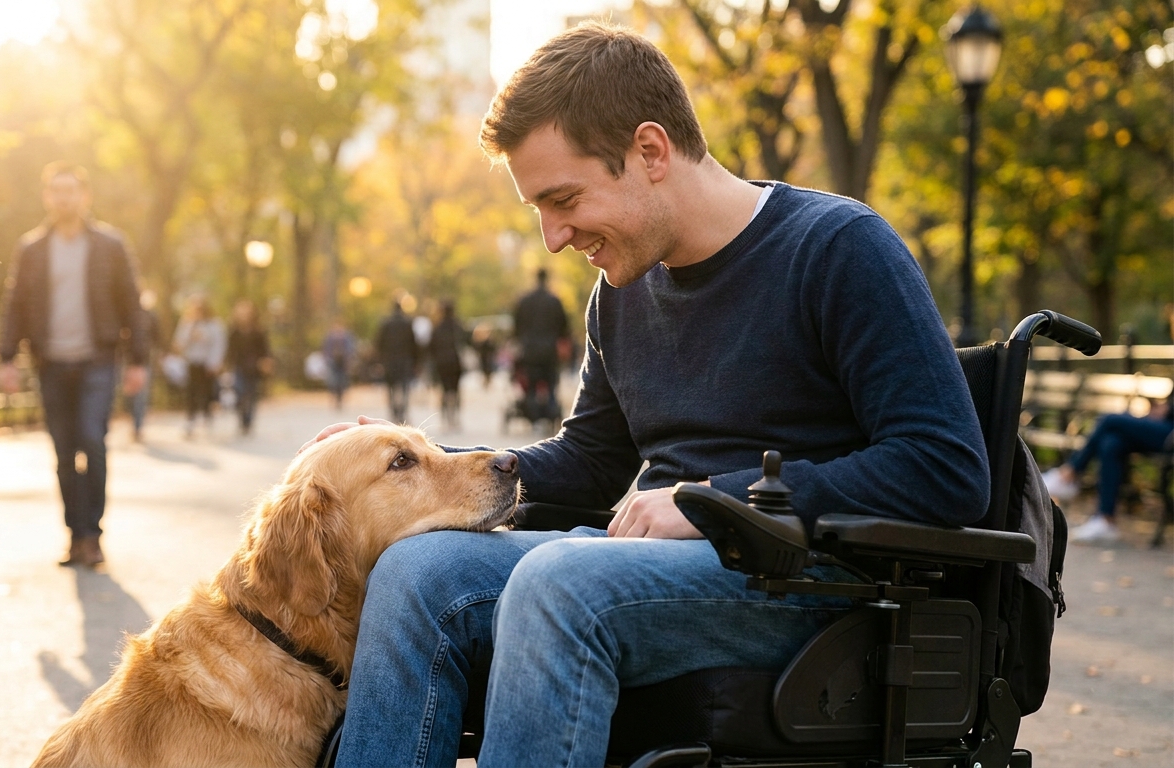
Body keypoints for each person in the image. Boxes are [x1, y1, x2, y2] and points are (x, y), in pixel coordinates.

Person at [308, 23, 989, 767]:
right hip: (642, 568)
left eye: (563, 199)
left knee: (555, 582)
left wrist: (708, 501)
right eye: (538, 209)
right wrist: (429, 466)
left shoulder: (839, 249)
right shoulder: (622, 294)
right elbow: (593, 462)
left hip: (804, 582)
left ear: (651, 152)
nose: (553, 239)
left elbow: (946, 467)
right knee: (417, 571)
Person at [0, 162, 147, 568]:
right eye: (56, 191)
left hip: (97, 359)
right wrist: (7, 357)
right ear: (47, 197)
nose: (64, 199)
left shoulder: (109, 245)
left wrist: (138, 361)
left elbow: (131, 302)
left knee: (92, 442)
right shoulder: (32, 249)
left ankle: (93, 535)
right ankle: (74, 535)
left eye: (71, 191)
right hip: (51, 361)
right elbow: (16, 304)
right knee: (64, 453)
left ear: (85, 197)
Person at [1043, 403, 1173, 544]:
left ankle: (1068, 474)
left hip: (1170, 434)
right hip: (1164, 426)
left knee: (1110, 419)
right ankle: (1106, 520)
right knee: (1111, 444)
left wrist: (1168, 410)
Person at [512, 267, 570, 428]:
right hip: (549, 350)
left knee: (531, 386)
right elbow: (564, 328)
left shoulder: (524, 301)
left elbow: (516, 327)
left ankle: (534, 419)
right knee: (551, 386)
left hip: (529, 350)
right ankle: (551, 418)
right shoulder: (554, 301)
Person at [172, 294, 226, 438]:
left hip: (207, 363)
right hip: (192, 362)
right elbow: (178, 343)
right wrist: (190, 336)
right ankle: (190, 420)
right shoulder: (187, 324)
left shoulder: (214, 324)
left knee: (207, 392)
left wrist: (215, 363)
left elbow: (218, 345)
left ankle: (207, 418)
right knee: (191, 392)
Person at [227, 299, 272, 435]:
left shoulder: (259, 331)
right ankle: (242, 419)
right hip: (239, 366)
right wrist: (226, 365)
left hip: (254, 367)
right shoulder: (233, 331)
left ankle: (249, 422)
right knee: (239, 392)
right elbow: (229, 350)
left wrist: (266, 361)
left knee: (251, 395)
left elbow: (265, 349)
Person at [375, 297, 417, 424]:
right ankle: (403, 410)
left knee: (391, 388)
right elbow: (413, 344)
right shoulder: (407, 323)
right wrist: (416, 361)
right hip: (405, 360)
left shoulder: (386, 323)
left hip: (389, 360)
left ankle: (393, 411)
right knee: (404, 387)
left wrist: (380, 360)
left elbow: (379, 343)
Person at [127, 289, 161, 442]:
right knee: (128, 394)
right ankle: (133, 420)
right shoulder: (126, 314)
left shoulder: (151, 316)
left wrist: (159, 354)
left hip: (144, 360)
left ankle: (138, 426)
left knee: (141, 394)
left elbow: (158, 337)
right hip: (125, 360)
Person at [429, 300, 466, 430]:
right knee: (455, 391)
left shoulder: (437, 328)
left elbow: (431, 348)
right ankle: (455, 417)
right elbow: (466, 342)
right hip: (456, 362)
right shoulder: (458, 326)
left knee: (444, 390)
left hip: (442, 363)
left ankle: (445, 418)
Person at [322, 318, 358, 410]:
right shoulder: (332, 337)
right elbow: (326, 349)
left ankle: (339, 399)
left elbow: (350, 349)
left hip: (342, 362)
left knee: (341, 380)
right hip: (334, 361)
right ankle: (336, 397)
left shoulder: (345, 337)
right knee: (335, 380)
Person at [472, 322, 498, 388]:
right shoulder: (481, 341)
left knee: (487, 368)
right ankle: (486, 379)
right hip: (484, 357)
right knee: (485, 368)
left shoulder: (488, 341)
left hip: (487, 357)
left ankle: (487, 379)